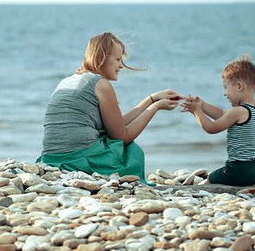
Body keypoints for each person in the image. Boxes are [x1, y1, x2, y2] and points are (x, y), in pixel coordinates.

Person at [37, 32, 183, 184]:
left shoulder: (69, 80)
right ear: (102, 58)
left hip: (51, 159)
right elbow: (121, 136)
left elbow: (115, 124)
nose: (121, 65)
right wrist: (156, 107)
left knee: (108, 138)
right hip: (77, 160)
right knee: (131, 150)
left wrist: (150, 100)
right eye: (118, 59)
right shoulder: (100, 84)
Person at [181, 54, 255, 186]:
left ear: (239, 86)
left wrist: (196, 111)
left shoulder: (237, 111)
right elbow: (222, 115)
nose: (224, 93)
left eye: (226, 87)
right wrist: (202, 105)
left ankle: (198, 190)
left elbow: (211, 128)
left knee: (211, 177)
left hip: (239, 170)